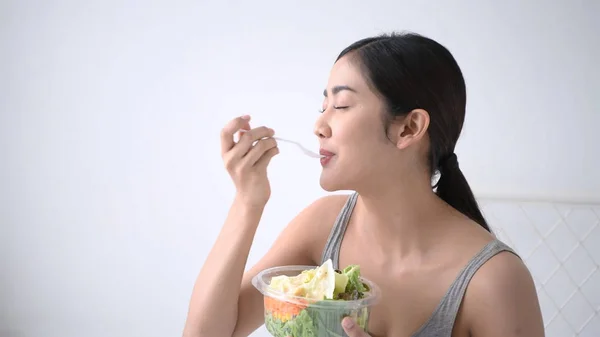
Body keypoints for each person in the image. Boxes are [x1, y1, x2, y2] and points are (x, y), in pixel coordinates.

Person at [182, 32, 545, 337]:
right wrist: (248, 201)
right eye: (321, 105)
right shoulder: (322, 226)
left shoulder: (495, 280)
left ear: (408, 129)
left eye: (340, 106)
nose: (318, 126)